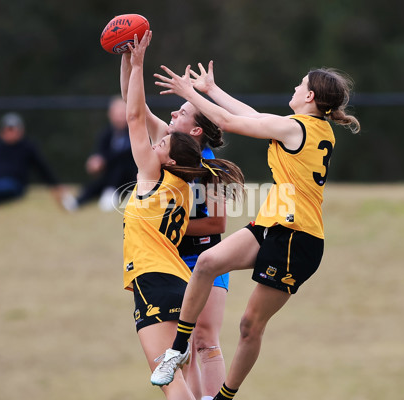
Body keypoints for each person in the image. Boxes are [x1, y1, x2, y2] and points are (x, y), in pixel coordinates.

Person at [150, 60, 361, 399]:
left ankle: (223, 396)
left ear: (309, 96)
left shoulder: (299, 129)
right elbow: (251, 116)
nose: (294, 88)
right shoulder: (303, 126)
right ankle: (177, 350)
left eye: (299, 84)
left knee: (249, 326)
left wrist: (189, 92)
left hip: (298, 239)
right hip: (271, 224)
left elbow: (229, 121)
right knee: (206, 263)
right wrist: (212, 90)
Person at [122, 31, 244, 400]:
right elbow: (136, 110)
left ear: (194, 130)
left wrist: (157, 225)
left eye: (183, 111)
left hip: (193, 256)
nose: (173, 113)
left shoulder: (200, 167)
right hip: (173, 257)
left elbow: (219, 224)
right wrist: (128, 61)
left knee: (203, 341)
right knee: (182, 354)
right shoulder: (175, 155)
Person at [61, 96, 137, 212]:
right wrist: (96, 161)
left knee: (120, 167)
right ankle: (77, 202)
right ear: (110, 115)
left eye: (122, 114)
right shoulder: (106, 134)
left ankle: (113, 194)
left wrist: (104, 159)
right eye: (117, 114)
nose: (119, 118)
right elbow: (99, 152)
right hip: (110, 175)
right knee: (99, 183)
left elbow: (128, 154)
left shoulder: (135, 132)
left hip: (132, 177)